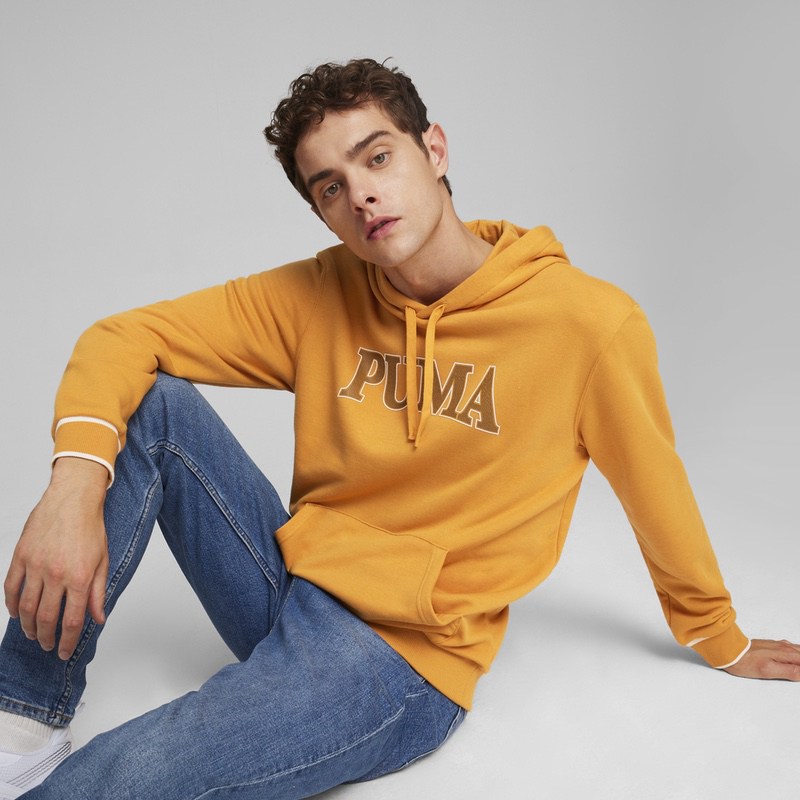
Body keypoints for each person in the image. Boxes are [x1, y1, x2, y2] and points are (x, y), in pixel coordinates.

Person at [0, 57, 798, 800]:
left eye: (377, 158)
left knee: (140, 770)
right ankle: (23, 718)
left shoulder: (587, 325)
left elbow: (656, 488)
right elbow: (122, 338)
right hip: (292, 586)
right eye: (331, 187)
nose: (362, 196)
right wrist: (73, 489)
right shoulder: (324, 292)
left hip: (402, 663)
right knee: (151, 404)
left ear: (434, 150)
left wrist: (716, 634)